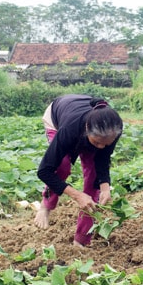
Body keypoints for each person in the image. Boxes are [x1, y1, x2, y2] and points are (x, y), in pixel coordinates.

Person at [34, 94, 123, 247]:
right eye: (96, 142)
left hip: (87, 127)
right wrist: (76, 195)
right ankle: (46, 205)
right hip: (57, 117)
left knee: (93, 179)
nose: (100, 147)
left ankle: (81, 240)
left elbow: (103, 158)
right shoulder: (69, 129)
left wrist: (105, 187)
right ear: (87, 129)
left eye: (106, 144)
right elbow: (44, 171)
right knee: (62, 166)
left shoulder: (112, 130)